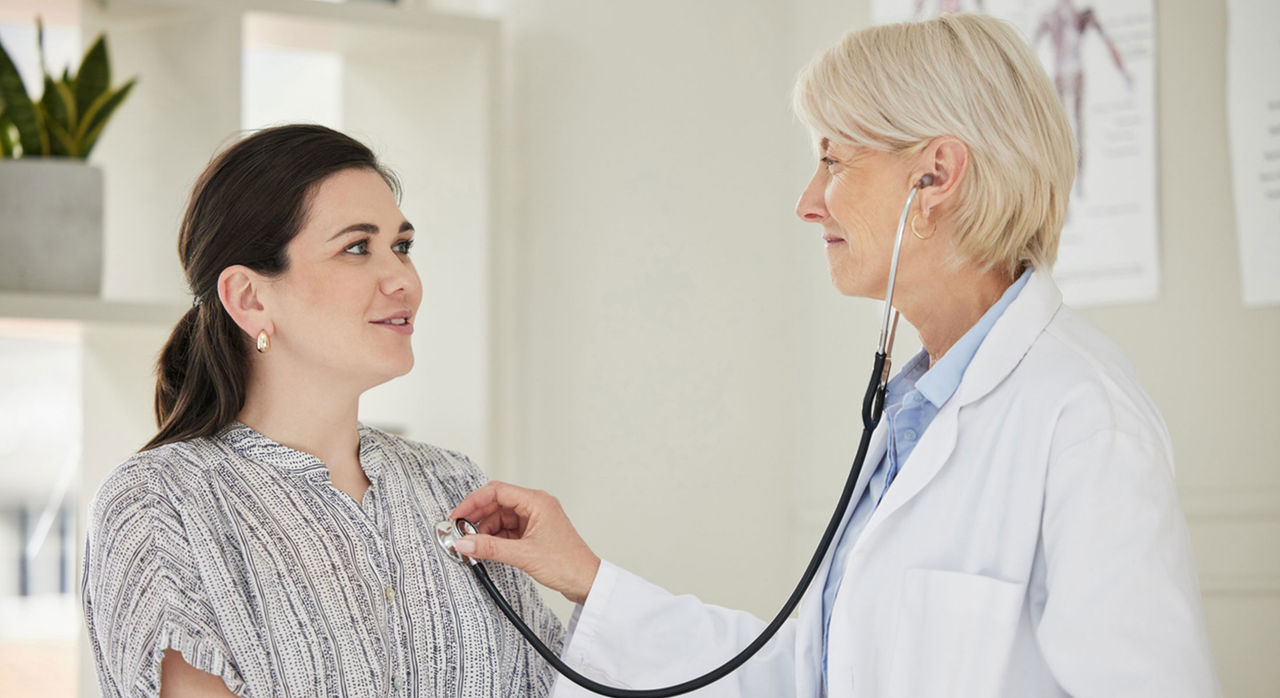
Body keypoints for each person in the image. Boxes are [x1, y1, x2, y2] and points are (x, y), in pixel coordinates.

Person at [448, 14, 1220, 697]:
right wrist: (585, 577)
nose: (808, 200)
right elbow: (812, 675)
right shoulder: (914, 417)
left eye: (834, 160)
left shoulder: (1083, 417)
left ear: (937, 176)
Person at [81, 125, 563, 697]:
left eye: (402, 247)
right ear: (250, 298)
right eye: (357, 248)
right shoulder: (162, 507)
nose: (404, 280)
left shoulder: (455, 485)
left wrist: (589, 582)